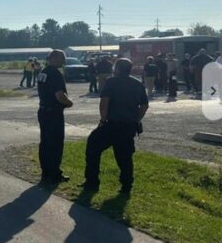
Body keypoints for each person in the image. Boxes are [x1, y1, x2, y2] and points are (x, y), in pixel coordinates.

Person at [82, 58, 149, 194]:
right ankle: (126, 185)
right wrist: (136, 119)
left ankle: (92, 182)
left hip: (111, 124)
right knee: (125, 156)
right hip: (129, 125)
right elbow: (144, 105)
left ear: (117, 69)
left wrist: (103, 119)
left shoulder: (111, 82)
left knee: (93, 148)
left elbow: (104, 101)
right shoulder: (137, 84)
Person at [36, 49, 74, 184]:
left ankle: (45, 173)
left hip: (43, 111)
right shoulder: (55, 74)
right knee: (56, 143)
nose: (64, 61)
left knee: (45, 142)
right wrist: (69, 103)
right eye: (62, 58)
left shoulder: (43, 72)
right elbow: (59, 95)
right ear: (55, 58)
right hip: (54, 113)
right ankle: (54, 174)